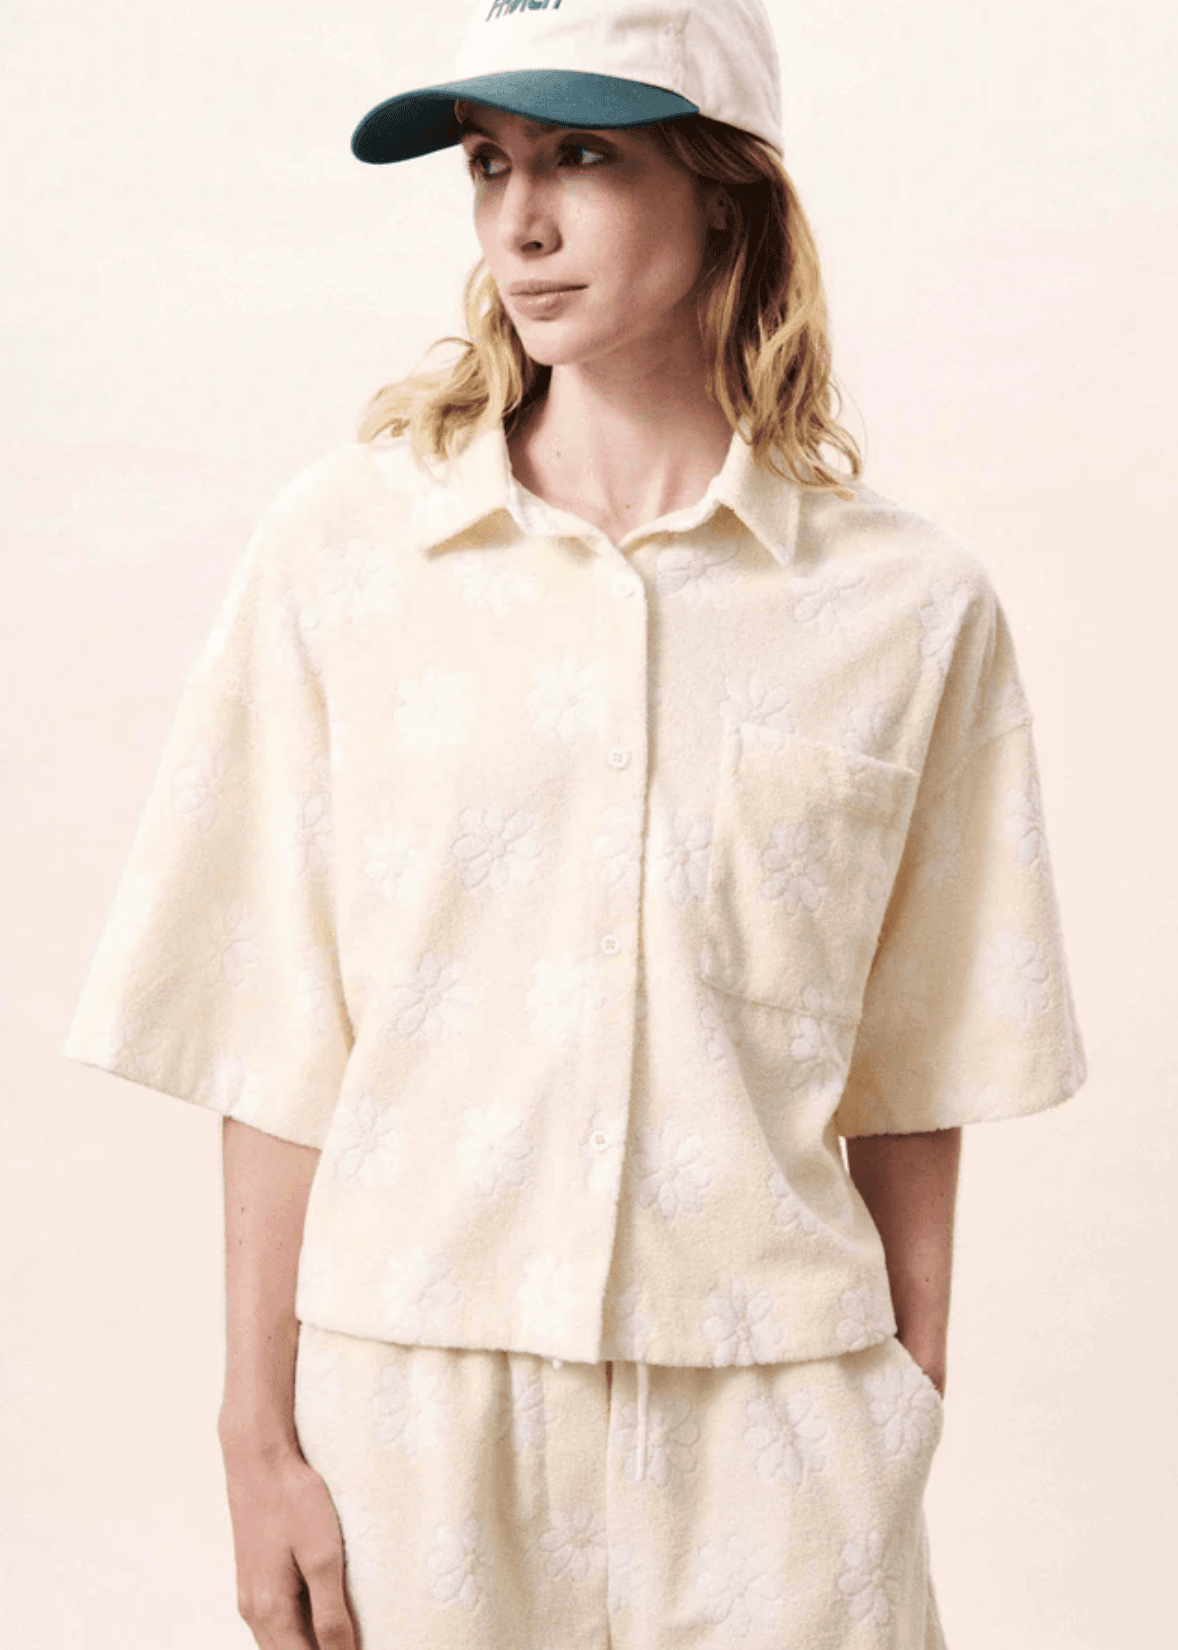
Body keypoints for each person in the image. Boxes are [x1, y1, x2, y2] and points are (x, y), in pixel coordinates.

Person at [62, 1, 1088, 1646]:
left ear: (723, 191)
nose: (520, 222)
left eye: (583, 157)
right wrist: (258, 1436)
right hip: (413, 1415)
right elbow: (273, 1031)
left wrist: (903, 1395)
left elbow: (922, 1058)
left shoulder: (904, 606)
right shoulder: (346, 556)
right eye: (490, 164)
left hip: (778, 1421)